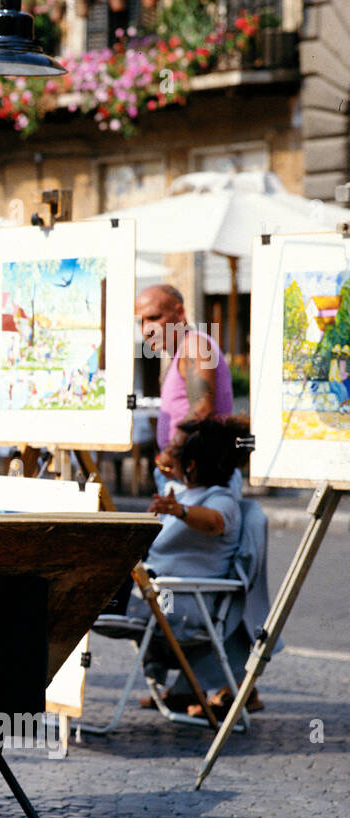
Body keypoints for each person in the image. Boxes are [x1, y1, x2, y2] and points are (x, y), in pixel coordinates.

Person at [133, 417, 260, 715]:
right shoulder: (180, 491)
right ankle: (185, 689)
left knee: (96, 602)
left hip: (182, 605)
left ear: (191, 464)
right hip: (163, 597)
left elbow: (214, 521)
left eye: (177, 450)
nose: (168, 456)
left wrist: (180, 511)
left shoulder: (221, 500)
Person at [135, 284, 234, 490]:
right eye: (141, 322)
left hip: (196, 478)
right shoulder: (182, 349)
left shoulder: (194, 345)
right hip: (186, 475)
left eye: (154, 318)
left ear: (179, 313)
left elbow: (202, 409)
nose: (146, 329)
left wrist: (170, 454)